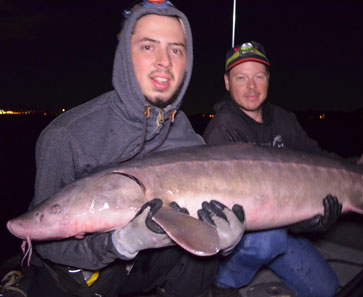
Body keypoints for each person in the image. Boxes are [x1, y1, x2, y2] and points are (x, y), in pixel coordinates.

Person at [6, 1, 246, 297]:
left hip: (143, 271)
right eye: (148, 47)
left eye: (176, 50)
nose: (164, 61)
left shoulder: (185, 134)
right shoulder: (66, 136)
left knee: (200, 269)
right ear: (124, 54)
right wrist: (117, 244)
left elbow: (204, 227)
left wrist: (226, 241)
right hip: (75, 280)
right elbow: (47, 240)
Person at [203, 41, 341, 297]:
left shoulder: (283, 119)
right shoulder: (223, 129)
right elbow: (235, 213)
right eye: (241, 78)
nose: (251, 87)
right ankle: (224, 282)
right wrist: (305, 221)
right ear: (227, 82)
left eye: (258, 77)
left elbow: (316, 157)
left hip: (285, 228)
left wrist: (355, 167)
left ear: (268, 79)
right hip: (241, 236)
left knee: (327, 289)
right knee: (269, 239)